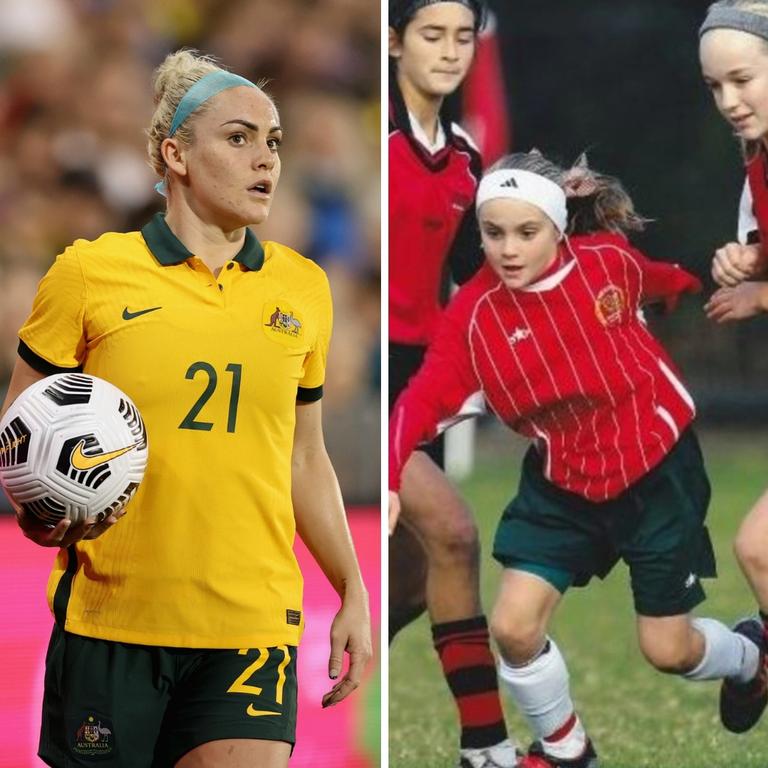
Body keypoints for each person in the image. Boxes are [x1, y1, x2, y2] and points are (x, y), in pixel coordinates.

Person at [1, 50, 372, 768]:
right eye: (238, 138)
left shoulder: (303, 289)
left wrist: (354, 589)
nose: (265, 158)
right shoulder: (89, 273)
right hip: (113, 621)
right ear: (175, 153)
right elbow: (23, 422)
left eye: (273, 142)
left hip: (251, 625)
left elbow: (303, 455)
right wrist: (42, 512)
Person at [389, 150, 768, 767]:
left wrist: (691, 286)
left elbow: (656, 277)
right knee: (513, 626)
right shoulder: (474, 315)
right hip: (563, 480)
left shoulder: (605, 264)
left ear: (560, 227)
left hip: (656, 470)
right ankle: (569, 752)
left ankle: (751, 660)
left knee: (667, 650)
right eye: (493, 233)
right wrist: (388, 477)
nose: (508, 249)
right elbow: (422, 397)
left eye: (526, 232)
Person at [389, 1, 518, 766]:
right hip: (375, 387)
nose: (450, 52)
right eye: (432, 35)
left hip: (425, 385)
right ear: (394, 40)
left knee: (407, 586)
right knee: (455, 534)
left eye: (463, 37)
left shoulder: (465, 156)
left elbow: (473, 282)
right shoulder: (381, 141)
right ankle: (488, 749)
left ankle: (292, 668)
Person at [699, 0, 768, 735]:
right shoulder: (757, 162)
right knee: (756, 546)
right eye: (716, 87)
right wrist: (741, 258)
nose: (728, 100)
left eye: (742, 80)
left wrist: (760, 290)